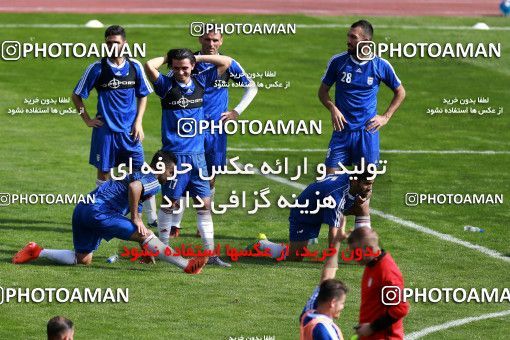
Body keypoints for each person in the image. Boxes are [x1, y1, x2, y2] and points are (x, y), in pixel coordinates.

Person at [12, 150, 208, 275]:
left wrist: (145, 247)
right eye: (171, 171)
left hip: (82, 209)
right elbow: (134, 187)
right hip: (99, 211)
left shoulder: (142, 174)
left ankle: (37, 251)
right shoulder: (153, 180)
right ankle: (186, 265)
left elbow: (137, 213)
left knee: (83, 259)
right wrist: (136, 218)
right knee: (147, 234)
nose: (171, 176)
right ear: (161, 167)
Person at [144, 48, 232, 267]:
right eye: (176, 68)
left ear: (192, 67)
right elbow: (149, 65)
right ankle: (163, 249)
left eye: (185, 67)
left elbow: (226, 62)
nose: (181, 72)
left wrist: (197, 57)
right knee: (169, 204)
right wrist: (169, 57)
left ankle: (210, 254)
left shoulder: (201, 82)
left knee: (204, 204)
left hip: (198, 157)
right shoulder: (166, 86)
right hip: (174, 158)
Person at [170, 28, 258, 239]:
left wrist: (237, 111)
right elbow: (166, 82)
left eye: (215, 40)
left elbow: (252, 87)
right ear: (200, 39)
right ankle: (175, 224)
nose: (211, 43)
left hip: (215, 130)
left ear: (221, 41)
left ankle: (203, 223)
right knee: (182, 174)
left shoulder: (226, 64)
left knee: (210, 176)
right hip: (190, 128)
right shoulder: (186, 64)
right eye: (207, 39)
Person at [71, 25, 158, 228]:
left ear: (124, 44)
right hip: (106, 133)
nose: (112, 46)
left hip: (130, 132)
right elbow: (77, 95)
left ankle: (151, 217)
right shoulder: (97, 68)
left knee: (141, 172)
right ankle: (100, 211)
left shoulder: (135, 66)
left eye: (116, 43)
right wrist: (87, 119)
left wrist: (138, 122)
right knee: (103, 173)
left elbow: (143, 95)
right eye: (109, 43)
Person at [318, 19, 405, 172]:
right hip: (341, 132)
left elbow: (400, 92)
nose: (348, 41)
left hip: (367, 133)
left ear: (366, 41)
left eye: (353, 37)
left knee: (364, 188)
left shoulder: (380, 65)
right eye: (348, 36)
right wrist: (332, 108)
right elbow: (322, 91)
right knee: (329, 182)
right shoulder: (338, 61)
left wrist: (385, 117)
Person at [253, 172, 374, 261]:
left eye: (371, 183)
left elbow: (367, 193)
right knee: (295, 257)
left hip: (325, 205)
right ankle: (262, 244)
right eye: (367, 184)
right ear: (354, 181)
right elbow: (333, 232)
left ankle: (365, 252)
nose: (369, 187)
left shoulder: (352, 180)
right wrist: (332, 261)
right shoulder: (336, 196)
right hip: (305, 212)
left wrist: (363, 197)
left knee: (363, 206)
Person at [347, 227, 409, 339]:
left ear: (369, 249)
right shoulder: (371, 265)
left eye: (356, 253)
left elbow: (400, 308)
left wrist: (372, 327)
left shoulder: (387, 272)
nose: (353, 257)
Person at [300, 223, 348, 339]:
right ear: (332, 302)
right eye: (341, 303)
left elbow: (326, 279)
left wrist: (337, 240)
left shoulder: (308, 315)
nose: (342, 307)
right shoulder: (323, 330)